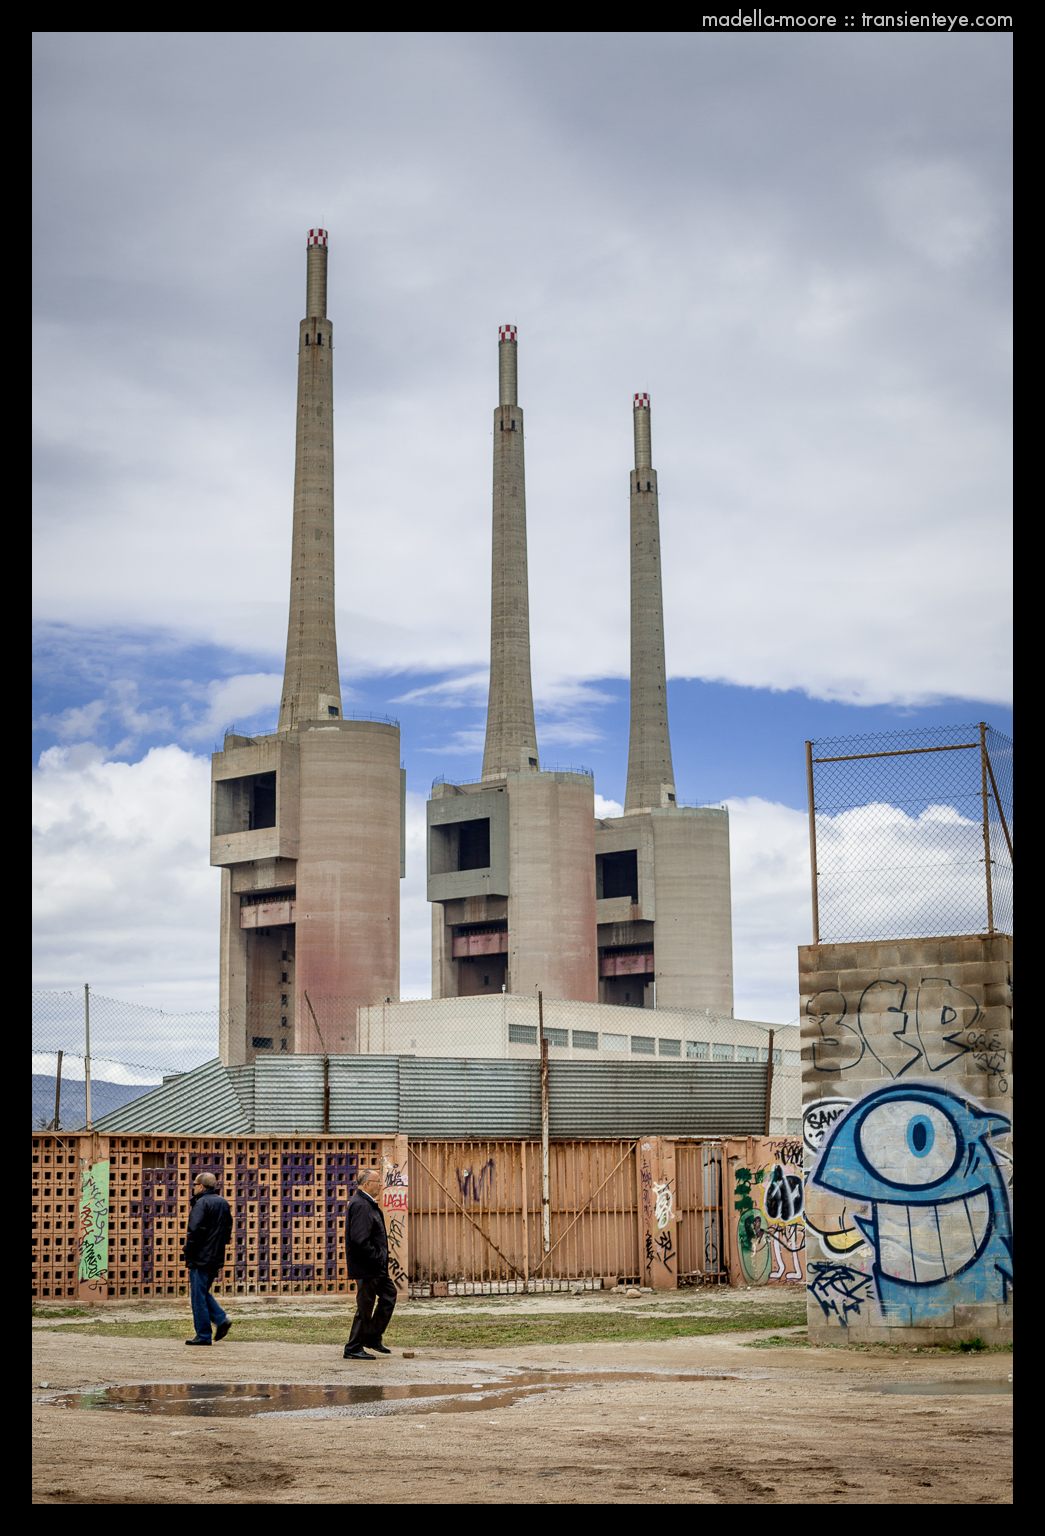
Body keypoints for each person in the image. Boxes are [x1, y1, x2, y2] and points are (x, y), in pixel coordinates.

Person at [344, 1167, 397, 1360]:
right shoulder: (361, 1205)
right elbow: (359, 1239)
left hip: (375, 1266)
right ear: (367, 1184)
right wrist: (377, 1257)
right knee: (365, 1307)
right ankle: (353, 1347)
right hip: (367, 1266)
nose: (381, 1185)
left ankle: (373, 1337)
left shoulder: (367, 1203)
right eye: (378, 1182)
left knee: (389, 1295)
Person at [182, 1170, 233, 1346]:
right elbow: (227, 1232)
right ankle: (220, 1319)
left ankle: (204, 1334)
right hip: (216, 1256)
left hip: (200, 1257)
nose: (193, 1188)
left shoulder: (202, 1203)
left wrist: (188, 1251)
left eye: (194, 1185)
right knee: (202, 1293)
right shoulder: (223, 1204)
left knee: (197, 1296)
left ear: (201, 1186)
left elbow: (194, 1231)